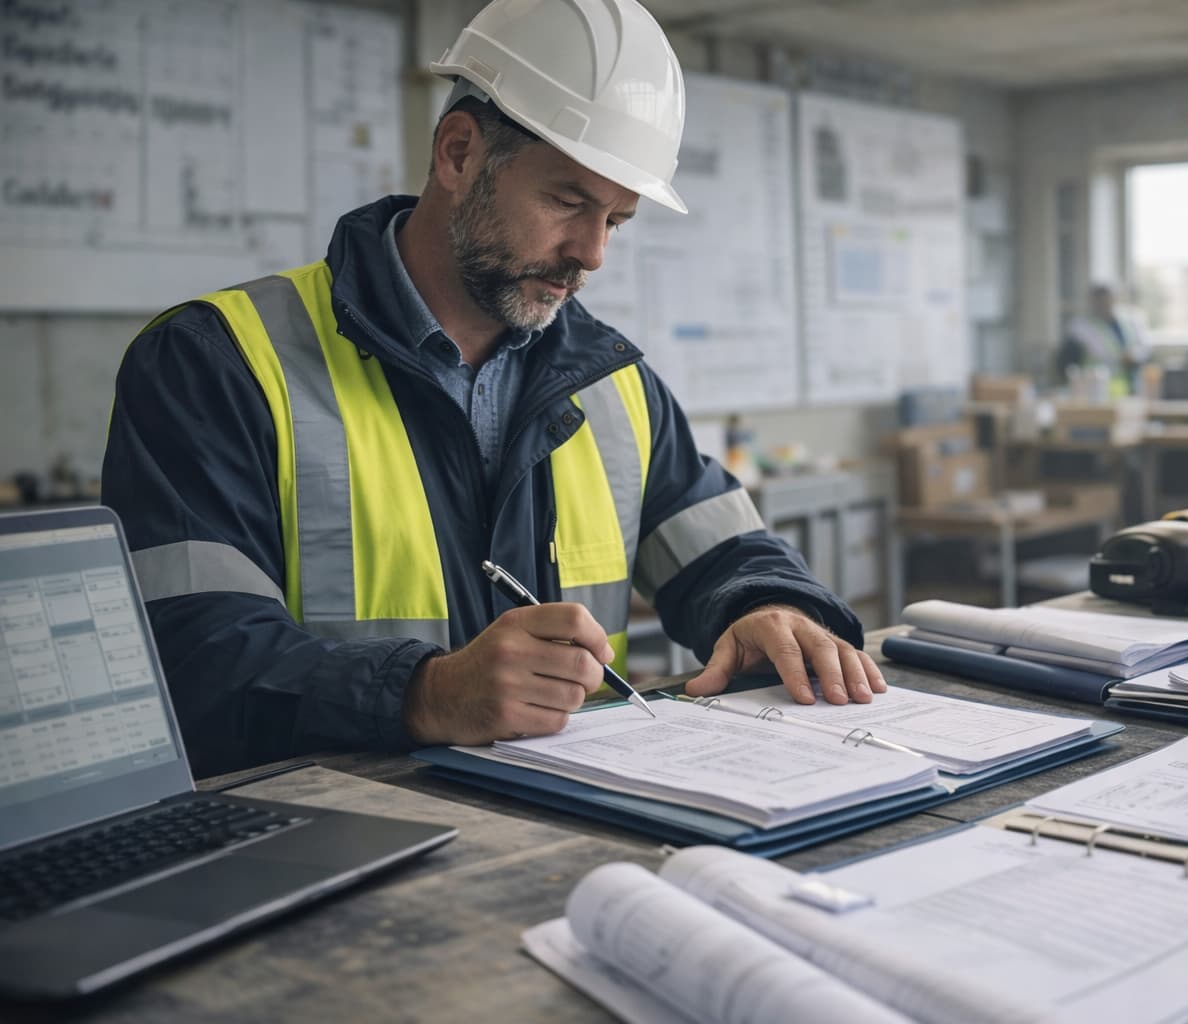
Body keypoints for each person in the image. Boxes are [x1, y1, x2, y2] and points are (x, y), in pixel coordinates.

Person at [101, 0, 884, 778]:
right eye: (568, 201)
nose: (592, 253)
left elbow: (729, 552)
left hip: (572, 827)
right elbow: (189, 658)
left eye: (617, 218)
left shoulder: (613, 383)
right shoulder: (215, 362)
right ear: (458, 153)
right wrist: (424, 693)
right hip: (325, 845)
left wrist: (769, 606)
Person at [1058, 283, 1145, 396]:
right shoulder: (1081, 327)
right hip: (1096, 390)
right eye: (1100, 302)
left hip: (1129, 385)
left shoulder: (1129, 321)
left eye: (1107, 301)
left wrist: (1135, 356)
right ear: (1093, 302)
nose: (1104, 305)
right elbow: (1069, 364)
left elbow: (1143, 347)